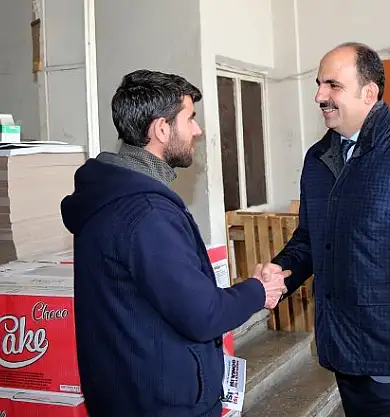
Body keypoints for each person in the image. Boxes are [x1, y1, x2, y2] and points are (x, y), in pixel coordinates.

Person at [255, 42, 390, 416]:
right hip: (340, 346)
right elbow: (310, 238)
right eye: (319, 85)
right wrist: (281, 273)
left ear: (369, 93)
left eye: (333, 86)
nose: (320, 96)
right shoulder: (318, 159)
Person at [60, 69, 288, 417]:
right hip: (162, 404)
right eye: (190, 118)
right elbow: (203, 314)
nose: (198, 130)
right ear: (161, 129)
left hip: (129, 394)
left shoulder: (110, 195)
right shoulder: (147, 213)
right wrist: (259, 291)